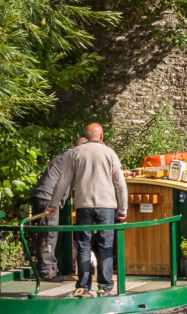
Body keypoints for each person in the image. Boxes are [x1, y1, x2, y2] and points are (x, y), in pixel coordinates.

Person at [46, 123, 129, 297]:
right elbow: (120, 184)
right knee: (105, 245)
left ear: (86, 135)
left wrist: (53, 203)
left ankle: (83, 286)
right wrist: (123, 208)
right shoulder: (110, 153)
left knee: (84, 245)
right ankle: (105, 286)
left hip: (83, 205)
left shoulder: (76, 153)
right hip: (106, 205)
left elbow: (63, 182)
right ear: (101, 136)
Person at [30, 137, 89, 282]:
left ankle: (49, 267)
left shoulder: (67, 154)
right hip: (48, 199)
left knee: (47, 233)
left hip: (44, 196)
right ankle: (47, 271)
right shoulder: (73, 156)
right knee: (48, 234)